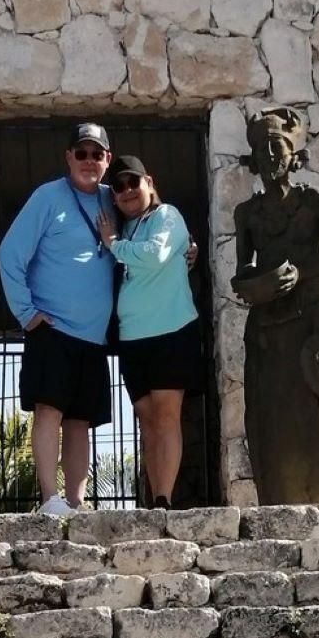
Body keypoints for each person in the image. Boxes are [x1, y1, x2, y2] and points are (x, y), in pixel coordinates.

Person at [232, 106, 319, 506]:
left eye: (277, 147)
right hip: (270, 318)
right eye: (262, 150)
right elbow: (242, 273)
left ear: (293, 155)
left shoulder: (313, 200)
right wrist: (260, 285)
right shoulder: (247, 214)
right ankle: (279, 499)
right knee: (271, 412)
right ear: (253, 160)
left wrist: (302, 271)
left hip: (314, 307)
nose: (270, 157)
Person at [0, 122, 116, 518]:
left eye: (96, 154)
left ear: (107, 160)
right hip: (53, 330)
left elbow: (151, 224)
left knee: (81, 421)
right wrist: (26, 314)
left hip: (94, 338)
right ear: (68, 157)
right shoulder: (46, 197)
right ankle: (50, 498)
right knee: (49, 412)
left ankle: (76, 502)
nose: (88, 160)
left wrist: (190, 250)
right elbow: (9, 254)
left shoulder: (113, 199)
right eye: (80, 153)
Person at [95, 154, 202, 509]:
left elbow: (154, 255)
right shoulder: (122, 229)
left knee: (167, 416)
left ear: (149, 183)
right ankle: (155, 500)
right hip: (131, 338)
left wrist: (113, 245)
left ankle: (163, 500)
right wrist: (115, 241)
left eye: (132, 182)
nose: (126, 190)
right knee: (146, 421)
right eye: (118, 186)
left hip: (171, 331)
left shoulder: (167, 216)